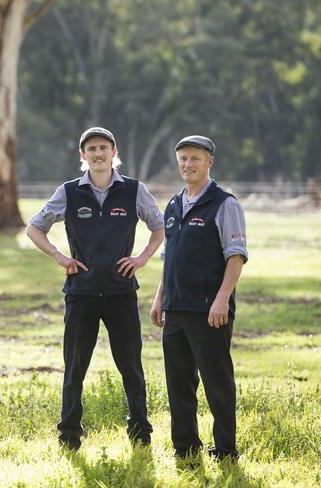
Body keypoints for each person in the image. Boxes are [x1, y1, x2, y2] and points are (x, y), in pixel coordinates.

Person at [26, 127, 164, 451]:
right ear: (82, 156)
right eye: (91, 148)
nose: (98, 153)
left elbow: (158, 227)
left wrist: (142, 257)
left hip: (121, 293)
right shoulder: (69, 192)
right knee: (74, 370)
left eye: (103, 147)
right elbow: (35, 229)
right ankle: (69, 436)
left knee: (131, 367)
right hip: (81, 294)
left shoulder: (133, 190)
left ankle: (140, 434)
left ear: (114, 153)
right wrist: (60, 257)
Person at [150, 135, 248, 463]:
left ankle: (225, 450)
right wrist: (159, 297)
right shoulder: (174, 205)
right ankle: (186, 448)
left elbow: (236, 257)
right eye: (183, 159)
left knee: (216, 381)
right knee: (178, 383)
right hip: (175, 308)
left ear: (209, 162)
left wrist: (222, 299)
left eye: (195, 158)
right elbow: (170, 257)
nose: (188, 164)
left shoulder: (225, 204)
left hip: (210, 310)